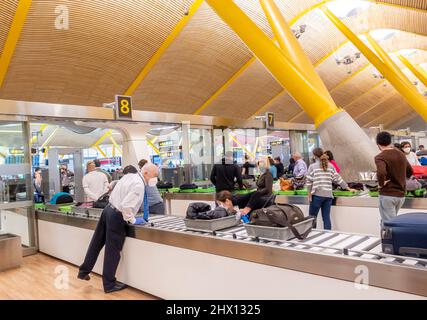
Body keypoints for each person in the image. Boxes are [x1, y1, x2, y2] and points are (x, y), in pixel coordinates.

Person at [78, 163, 159, 293]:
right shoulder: (139, 184)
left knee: (96, 242)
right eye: (155, 175)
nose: (156, 178)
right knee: (113, 250)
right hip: (117, 216)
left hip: (108, 210)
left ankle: (83, 271)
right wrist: (132, 220)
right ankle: (109, 284)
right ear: (146, 173)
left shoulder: (130, 176)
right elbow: (126, 205)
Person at [306, 148, 354, 230]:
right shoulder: (331, 166)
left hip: (317, 196)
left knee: (312, 218)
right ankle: (328, 236)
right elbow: (338, 179)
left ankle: (312, 236)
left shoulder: (312, 166)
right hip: (328, 196)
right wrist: (347, 188)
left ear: (314, 156)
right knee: (326, 218)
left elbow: (309, 182)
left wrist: (309, 194)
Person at [376, 132, 413, 227]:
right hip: (401, 195)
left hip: (388, 195)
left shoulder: (380, 157)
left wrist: (381, 183)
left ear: (378, 143)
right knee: (388, 221)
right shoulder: (400, 154)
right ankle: (387, 240)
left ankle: (390, 241)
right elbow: (410, 170)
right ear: (390, 141)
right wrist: (400, 178)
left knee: (390, 225)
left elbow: (381, 172)